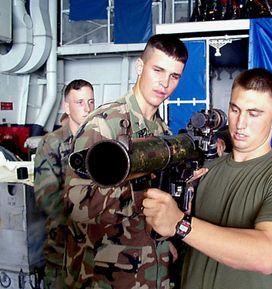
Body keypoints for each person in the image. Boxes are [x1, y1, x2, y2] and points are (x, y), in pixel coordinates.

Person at [142, 68, 272, 289]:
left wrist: (180, 224)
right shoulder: (205, 169)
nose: (240, 123)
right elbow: (164, 231)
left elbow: (266, 256)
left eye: (254, 113)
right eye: (235, 109)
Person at [63, 34, 188, 289]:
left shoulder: (160, 129)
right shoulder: (105, 123)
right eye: (158, 70)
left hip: (150, 268)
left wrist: (163, 243)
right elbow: (76, 204)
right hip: (106, 274)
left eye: (174, 76)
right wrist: (142, 198)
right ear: (140, 67)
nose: (165, 83)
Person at [34, 79, 95, 289]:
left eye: (91, 101)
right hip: (62, 247)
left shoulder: (100, 141)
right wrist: (81, 223)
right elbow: (46, 195)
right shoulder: (52, 143)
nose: (87, 108)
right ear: (66, 107)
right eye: (79, 102)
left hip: (96, 249)